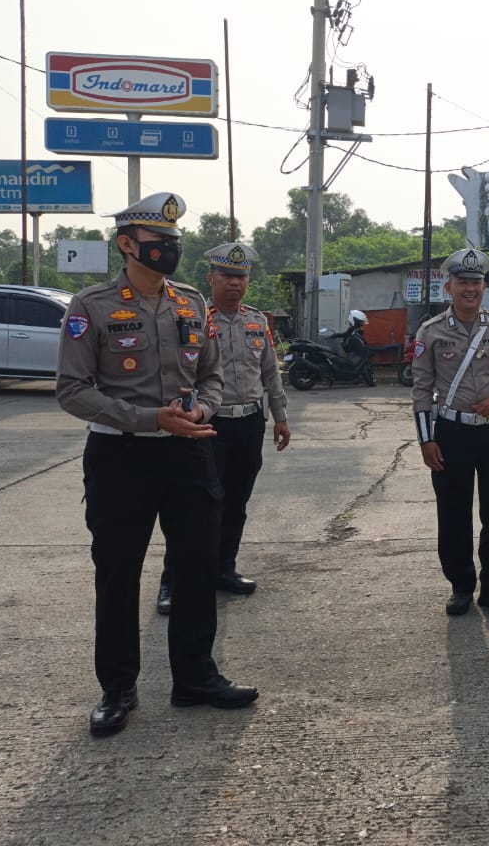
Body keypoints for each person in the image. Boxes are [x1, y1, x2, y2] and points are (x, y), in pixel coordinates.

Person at [56, 192, 258, 737]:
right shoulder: (92, 307)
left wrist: (203, 409)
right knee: (118, 573)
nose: (169, 249)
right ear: (127, 244)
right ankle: (117, 688)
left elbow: (212, 375)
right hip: (121, 456)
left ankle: (195, 677)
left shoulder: (191, 303)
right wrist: (150, 419)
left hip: (189, 451)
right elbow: (72, 390)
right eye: (158, 241)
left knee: (196, 568)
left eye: (174, 241)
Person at [156, 243, 291, 615]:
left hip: (249, 423)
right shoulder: (194, 319)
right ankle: (173, 580)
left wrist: (280, 416)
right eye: (227, 275)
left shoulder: (257, 321)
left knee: (236, 502)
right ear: (211, 278)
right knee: (194, 506)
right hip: (208, 424)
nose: (235, 283)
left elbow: (270, 373)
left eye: (241, 276)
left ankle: (222, 570)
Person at [412, 248, 489, 616]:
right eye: (462, 282)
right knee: (453, 513)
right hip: (452, 433)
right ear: (448, 286)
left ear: (484, 287)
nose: (470, 289)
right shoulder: (430, 331)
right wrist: (426, 439)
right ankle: (461, 587)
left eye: (476, 282)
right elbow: (421, 389)